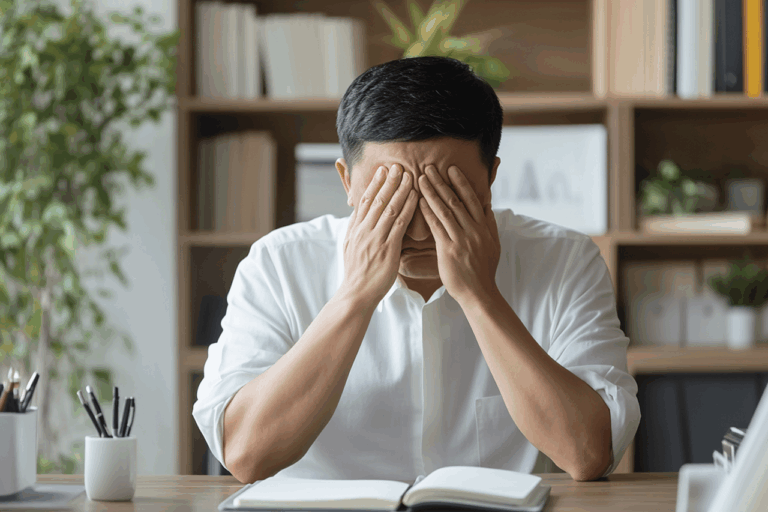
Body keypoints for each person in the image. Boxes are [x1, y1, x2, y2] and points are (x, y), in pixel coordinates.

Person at [192, 56, 640, 484]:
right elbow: (246, 454)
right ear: (347, 181)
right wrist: (355, 297)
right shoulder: (279, 264)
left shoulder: (565, 261)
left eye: (447, 197)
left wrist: (481, 297)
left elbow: (588, 454)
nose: (421, 231)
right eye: (391, 198)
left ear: (490, 179)